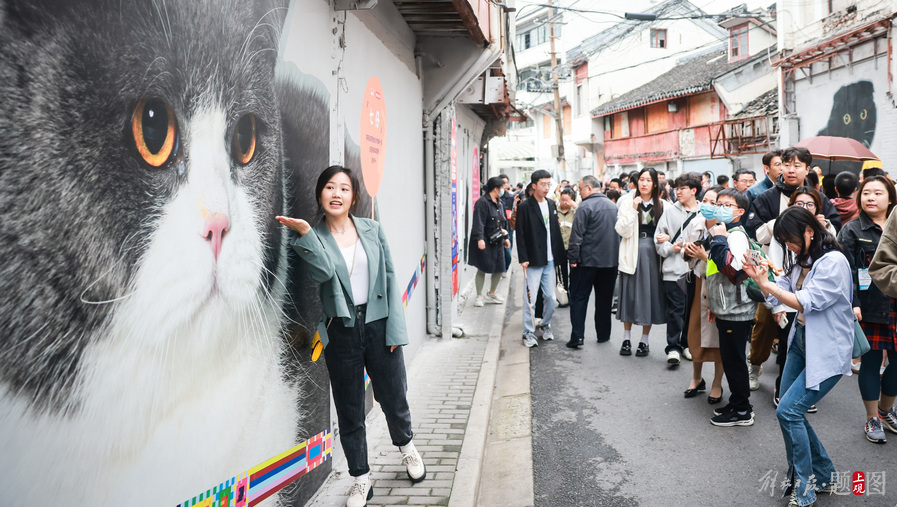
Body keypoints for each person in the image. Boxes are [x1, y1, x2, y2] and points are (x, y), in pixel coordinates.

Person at [277, 166, 426, 507]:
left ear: (353, 197)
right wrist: (305, 234)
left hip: (378, 323)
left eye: (344, 188)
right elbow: (326, 274)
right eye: (330, 187)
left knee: (393, 395)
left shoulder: (372, 230)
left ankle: (406, 446)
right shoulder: (314, 236)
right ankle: (360, 479)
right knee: (349, 409)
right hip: (340, 331)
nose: (336, 194)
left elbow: (389, 276)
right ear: (320, 194)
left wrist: (395, 330)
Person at [744, 206, 853, 507]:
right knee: (790, 412)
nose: (788, 246)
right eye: (783, 242)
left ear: (808, 231)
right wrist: (761, 278)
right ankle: (824, 474)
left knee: (788, 412)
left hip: (828, 348)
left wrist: (768, 286)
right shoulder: (803, 260)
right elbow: (778, 292)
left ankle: (804, 488)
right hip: (801, 342)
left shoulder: (833, 261)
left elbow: (808, 301)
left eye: (789, 239)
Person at [744, 147, 842, 402]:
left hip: (807, 287)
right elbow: (752, 232)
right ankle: (755, 365)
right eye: (786, 164)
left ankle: (790, 390)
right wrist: (784, 222)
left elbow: (835, 233)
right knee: (764, 325)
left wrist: (822, 223)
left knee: (797, 338)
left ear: (807, 169)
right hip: (776, 274)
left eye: (797, 165)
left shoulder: (821, 200)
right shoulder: (765, 197)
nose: (790, 169)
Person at [840, 175, 897, 443]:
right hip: (868, 304)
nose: (871, 198)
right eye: (866, 193)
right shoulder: (852, 230)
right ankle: (872, 417)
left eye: (878, 193)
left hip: (895, 301)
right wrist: (854, 302)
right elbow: (847, 270)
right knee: (871, 362)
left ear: (890, 198)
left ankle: (886, 411)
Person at [706, 189, 758, 426]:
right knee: (731, 358)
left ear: (740, 211)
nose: (720, 208)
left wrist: (718, 239)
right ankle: (739, 402)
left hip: (736, 309)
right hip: (729, 307)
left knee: (734, 360)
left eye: (727, 205)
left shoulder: (734, 235)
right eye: (719, 204)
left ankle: (741, 411)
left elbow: (732, 270)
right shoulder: (728, 231)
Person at [615, 167, 669, 357]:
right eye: (641, 180)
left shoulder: (663, 205)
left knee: (649, 296)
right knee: (629, 295)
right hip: (631, 251)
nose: (644, 183)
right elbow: (621, 229)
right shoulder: (627, 202)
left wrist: (667, 236)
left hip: (654, 255)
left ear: (655, 183)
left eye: (648, 180)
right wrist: (633, 210)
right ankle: (626, 338)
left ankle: (644, 341)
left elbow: (672, 231)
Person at [682, 186, 725, 404]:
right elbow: (684, 250)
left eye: (714, 202)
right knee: (695, 332)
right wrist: (688, 250)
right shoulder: (696, 222)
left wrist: (705, 255)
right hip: (699, 284)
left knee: (719, 337)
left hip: (719, 288)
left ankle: (717, 384)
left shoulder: (726, 228)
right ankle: (696, 378)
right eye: (705, 201)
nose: (708, 206)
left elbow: (729, 265)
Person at [565, 175, 620, 348]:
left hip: (586, 262)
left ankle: (577, 336)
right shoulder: (613, 207)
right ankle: (603, 335)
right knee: (604, 300)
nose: (579, 192)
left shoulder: (585, 206)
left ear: (589, 189)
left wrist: (573, 258)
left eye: (580, 189)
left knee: (579, 299)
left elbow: (576, 236)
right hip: (609, 262)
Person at [654, 173, 702, 365]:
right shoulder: (670, 212)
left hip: (696, 271)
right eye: (676, 188)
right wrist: (670, 247)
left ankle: (687, 345)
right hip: (673, 270)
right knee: (676, 310)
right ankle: (673, 347)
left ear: (694, 191)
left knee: (692, 310)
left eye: (682, 188)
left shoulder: (703, 212)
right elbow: (658, 239)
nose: (677, 192)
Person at [516, 169, 564, 348]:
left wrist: (560, 255)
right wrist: (523, 258)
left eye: (549, 184)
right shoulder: (525, 206)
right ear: (534, 185)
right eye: (543, 184)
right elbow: (520, 234)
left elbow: (555, 231)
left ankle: (545, 324)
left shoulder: (551, 204)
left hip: (550, 259)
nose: (547, 188)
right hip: (533, 259)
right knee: (530, 299)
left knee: (551, 297)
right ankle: (528, 332)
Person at [469, 176, 511, 307]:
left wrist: (506, 237)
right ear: (496, 189)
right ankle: (479, 296)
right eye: (502, 188)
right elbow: (479, 222)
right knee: (482, 268)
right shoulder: (482, 202)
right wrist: (480, 239)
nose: (504, 190)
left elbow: (504, 222)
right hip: (485, 240)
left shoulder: (500, 203)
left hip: (497, 240)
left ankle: (492, 293)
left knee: (500, 267)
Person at [556, 187, 577, 301]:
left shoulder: (575, 211)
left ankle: (572, 291)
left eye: (567, 200)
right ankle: (564, 293)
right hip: (560, 247)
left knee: (573, 272)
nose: (564, 202)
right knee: (562, 271)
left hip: (572, 246)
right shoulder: (555, 211)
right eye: (562, 199)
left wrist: (574, 206)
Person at [500, 174, 516, 274]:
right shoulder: (495, 196)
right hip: (496, 226)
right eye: (503, 182)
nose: (505, 185)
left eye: (506, 183)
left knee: (507, 251)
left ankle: (505, 268)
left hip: (508, 227)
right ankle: (499, 269)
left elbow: (513, 211)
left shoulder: (510, 197)